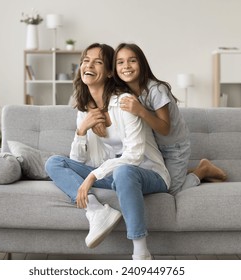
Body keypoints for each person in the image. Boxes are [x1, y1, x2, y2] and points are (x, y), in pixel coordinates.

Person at [45, 43, 171, 260]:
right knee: (54, 162)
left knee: (124, 171)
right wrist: (81, 130)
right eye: (86, 60)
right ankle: (96, 211)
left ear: (110, 71)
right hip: (112, 175)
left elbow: (134, 156)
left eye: (98, 61)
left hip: (149, 173)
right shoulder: (85, 110)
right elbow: (77, 161)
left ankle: (141, 254)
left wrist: (93, 176)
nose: (89, 64)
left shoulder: (124, 103)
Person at [113, 43, 227, 195]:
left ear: (141, 63)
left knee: (171, 189)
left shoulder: (156, 90)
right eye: (120, 62)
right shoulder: (124, 92)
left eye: (132, 60)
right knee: (157, 180)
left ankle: (203, 170)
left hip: (175, 147)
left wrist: (140, 110)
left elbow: (165, 128)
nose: (126, 66)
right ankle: (182, 173)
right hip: (154, 148)